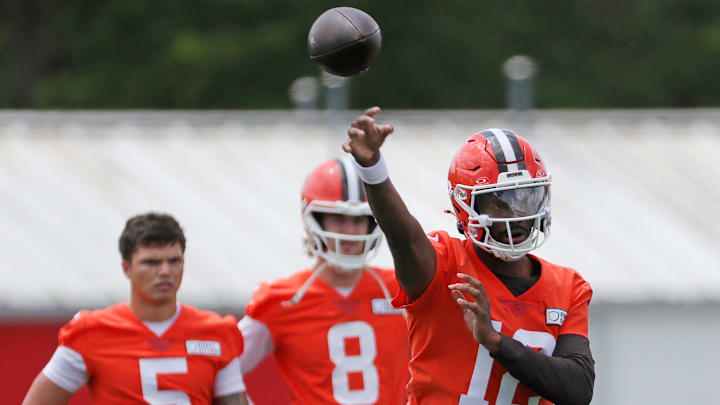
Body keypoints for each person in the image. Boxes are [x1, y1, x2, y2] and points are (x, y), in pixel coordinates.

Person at [342, 107, 595, 405]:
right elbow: (403, 236)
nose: (517, 217)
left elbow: (578, 389)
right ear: (466, 207)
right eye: (500, 204)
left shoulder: (568, 287)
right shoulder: (445, 264)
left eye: (526, 199)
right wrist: (372, 168)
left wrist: (496, 342)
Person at [22, 213, 248, 405]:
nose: (165, 271)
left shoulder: (216, 332)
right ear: (126, 268)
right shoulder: (92, 332)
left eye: (174, 261)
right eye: (152, 262)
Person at [238, 157, 410, 405]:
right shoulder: (283, 299)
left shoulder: (399, 289)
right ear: (315, 220)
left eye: (358, 220)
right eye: (339, 219)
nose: (350, 232)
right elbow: (223, 370)